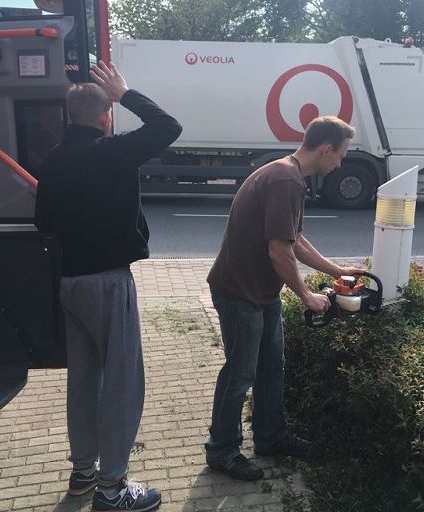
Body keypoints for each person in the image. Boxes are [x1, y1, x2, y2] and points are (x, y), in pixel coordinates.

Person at [35, 61, 181, 511]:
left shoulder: (54, 160)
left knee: (83, 380)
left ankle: (83, 472)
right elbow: (168, 127)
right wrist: (125, 92)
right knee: (122, 382)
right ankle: (113, 488)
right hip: (109, 285)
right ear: (106, 116)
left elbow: (44, 225)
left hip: (70, 284)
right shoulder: (114, 151)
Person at [205, 116, 364, 481]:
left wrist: (337, 271)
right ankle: (222, 451)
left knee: (270, 367)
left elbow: (296, 240)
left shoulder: (289, 176)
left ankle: (271, 437)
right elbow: (279, 250)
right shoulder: (285, 180)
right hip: (239, 292)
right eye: (341, 155)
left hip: (261, 292)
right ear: (325, 149)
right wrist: (306, 295)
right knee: (240, 373)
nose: (340, 163)